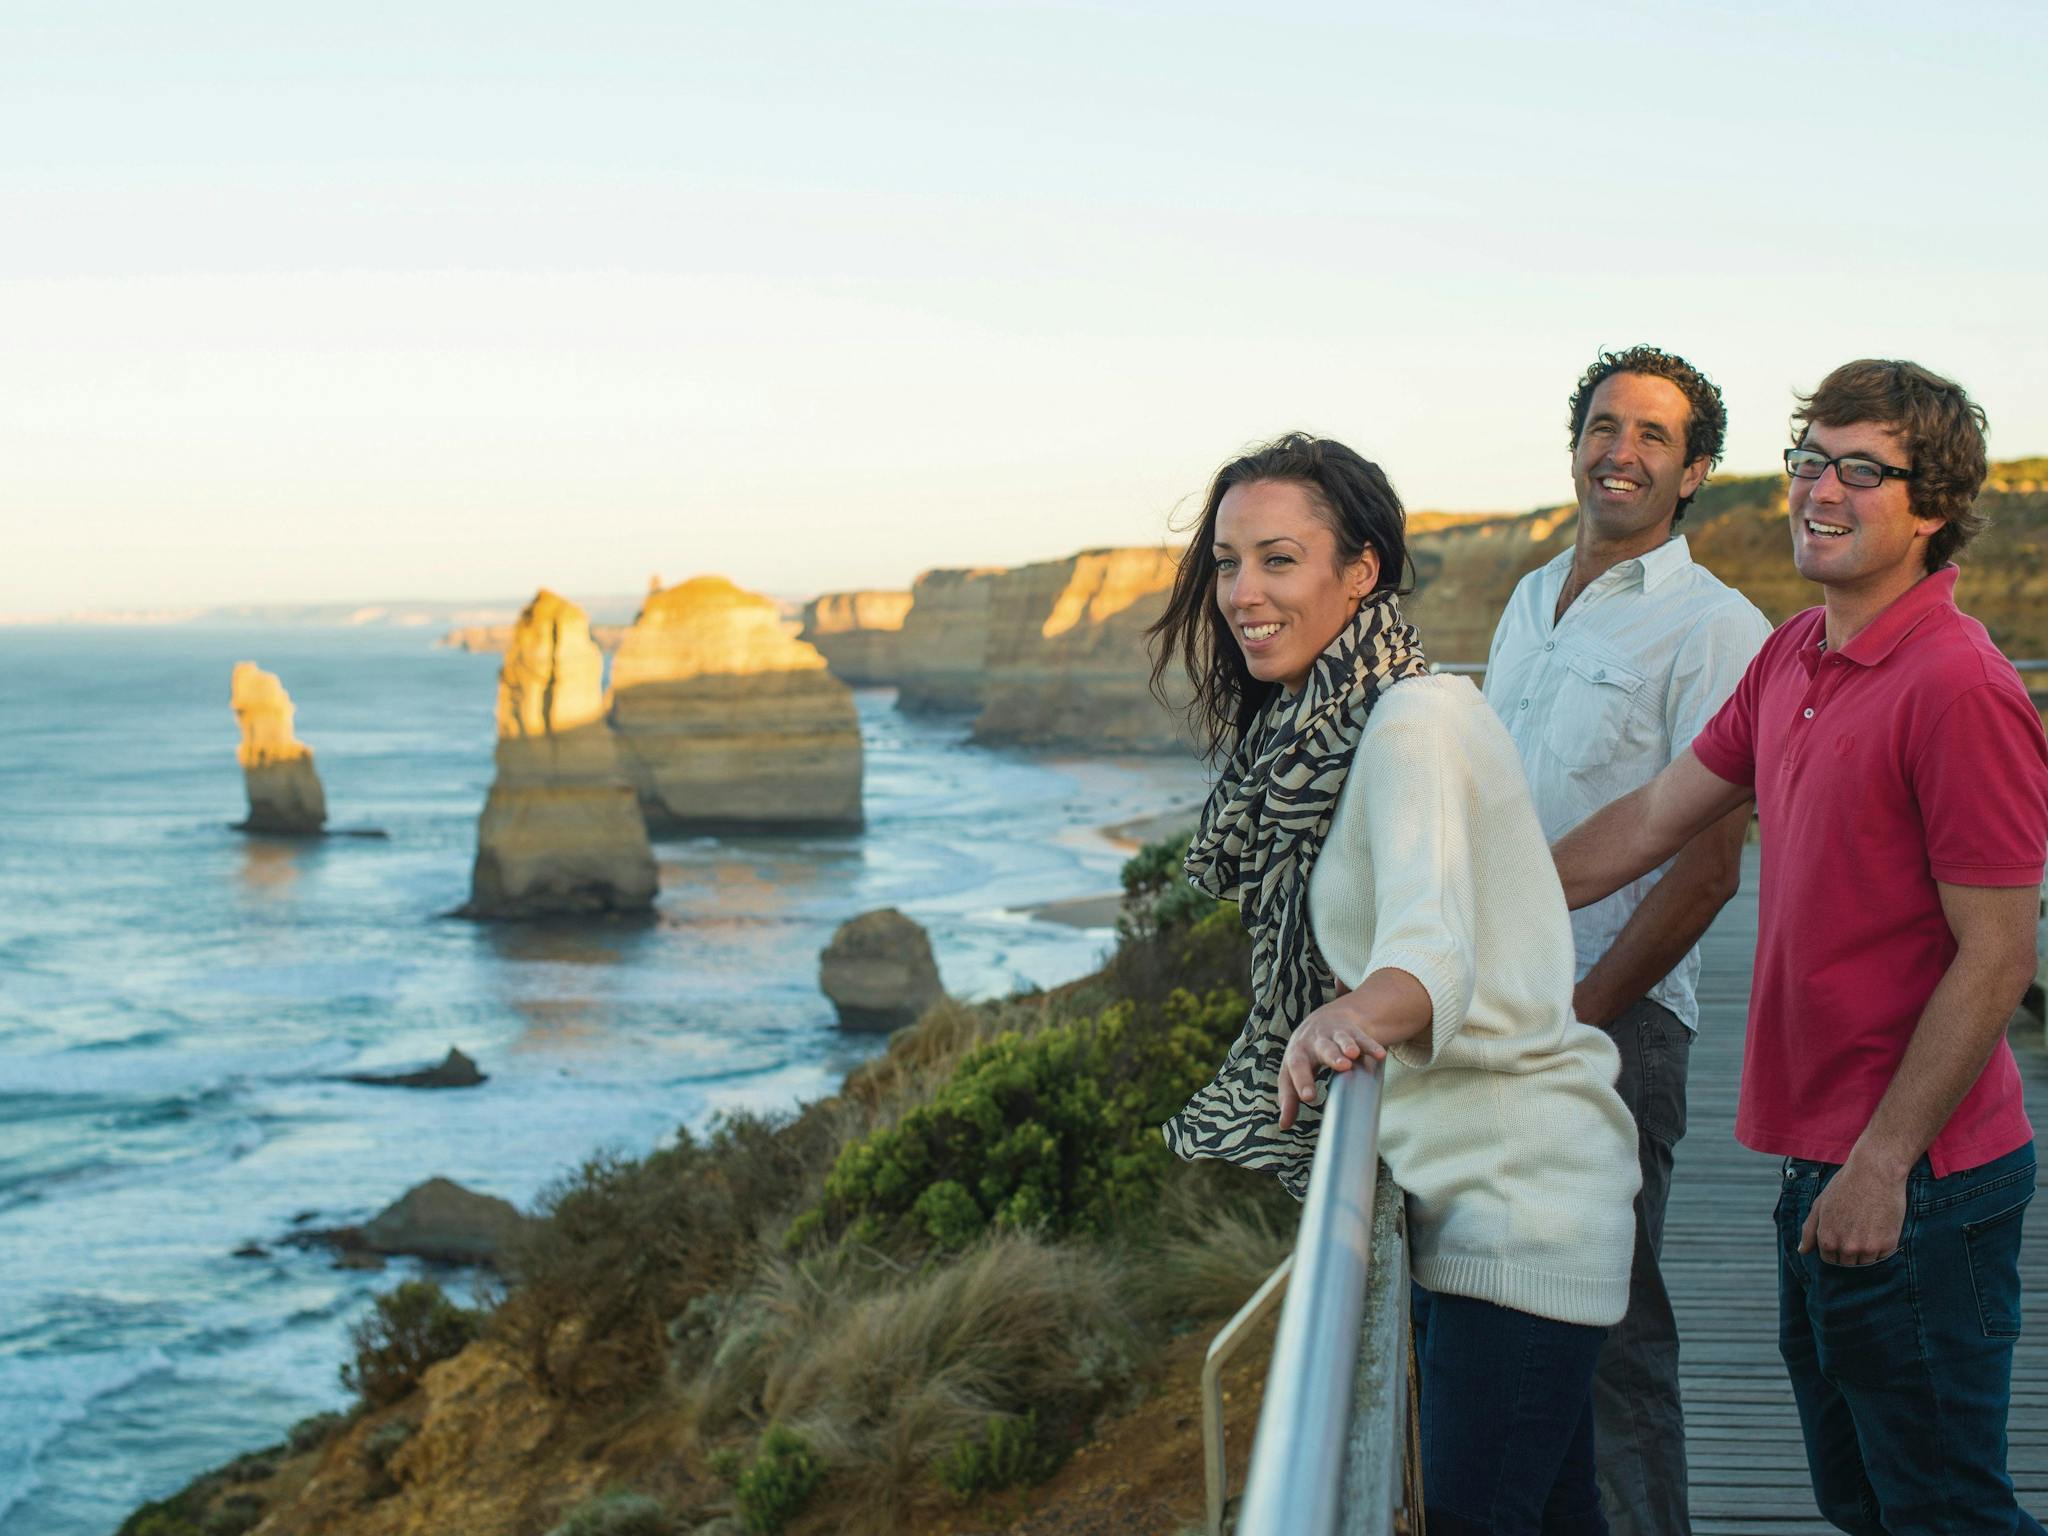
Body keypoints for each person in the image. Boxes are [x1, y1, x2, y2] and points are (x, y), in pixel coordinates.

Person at [1551, 360, 2048, 1534]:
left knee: (1942, 1508)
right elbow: (1652, 820)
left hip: (1920, 1177)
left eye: (1859, 470)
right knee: (1859, 1500)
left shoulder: (1958, 685)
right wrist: (1464, 918)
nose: (1818, 490)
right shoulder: (1790, 656)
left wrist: (1881, 1162)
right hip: (1811, 1158)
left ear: (1930, 507)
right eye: (1808, 459)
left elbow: (1995, 955)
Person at [1151, 432, 1640, 1536]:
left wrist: (1347, 1015)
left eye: (1277, 559)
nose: (1241, 593)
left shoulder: (1413, 721)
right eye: (1226, 563)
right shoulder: (1341, 724)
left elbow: (1431, 948)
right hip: (1484, 1201)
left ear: (1360, 571)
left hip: (1515, 1212)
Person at [1483, 345, 1770, 1536]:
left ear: (1693, 469)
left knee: (1612, 1341)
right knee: (1503, 1326)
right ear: (1573, 444)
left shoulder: (1715, 629)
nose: (1621, 451)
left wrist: (1582, 1016)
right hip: (1493, 1013)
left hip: (1614, 1025)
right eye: (1605, 426)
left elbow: (1705, 871)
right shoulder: (1525, 597)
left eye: (1653, 436)